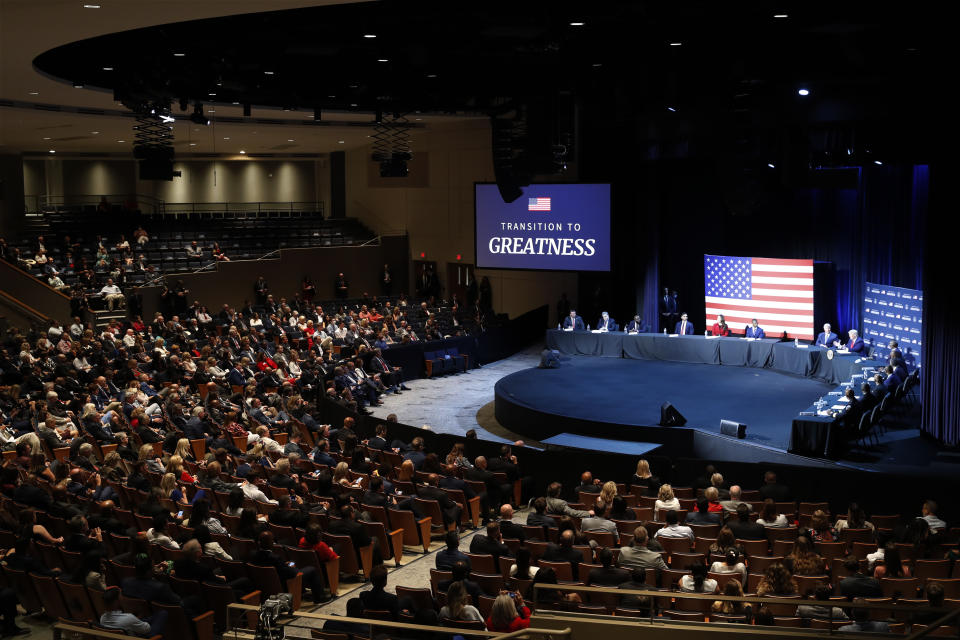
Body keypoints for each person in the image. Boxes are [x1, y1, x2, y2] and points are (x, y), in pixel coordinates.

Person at [100, 586, 168, 638]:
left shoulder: (102, 618)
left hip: (128, 630)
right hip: (140, 635)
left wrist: (136, 620)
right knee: (163, 613)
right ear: (116, 601)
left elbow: (128, 622)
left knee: (148, 618)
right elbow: (147, 629)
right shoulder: (128, 618)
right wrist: (137, 621)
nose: (123, 598)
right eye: (121, 596)